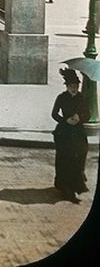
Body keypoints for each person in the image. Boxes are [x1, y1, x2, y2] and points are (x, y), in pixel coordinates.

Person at [51, 68, 89, 202]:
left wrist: (80, 118)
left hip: (78, 132)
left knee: (79, 157)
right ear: (67, 86)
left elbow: (88, 115)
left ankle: (75, 186)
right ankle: (65, 187)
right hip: (64, 132)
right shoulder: (61, 98)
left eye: (76, 86)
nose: (74, 89)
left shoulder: (82, 98)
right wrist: (65, 120)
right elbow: (54, 114)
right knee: (64, 159)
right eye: (71, 86)